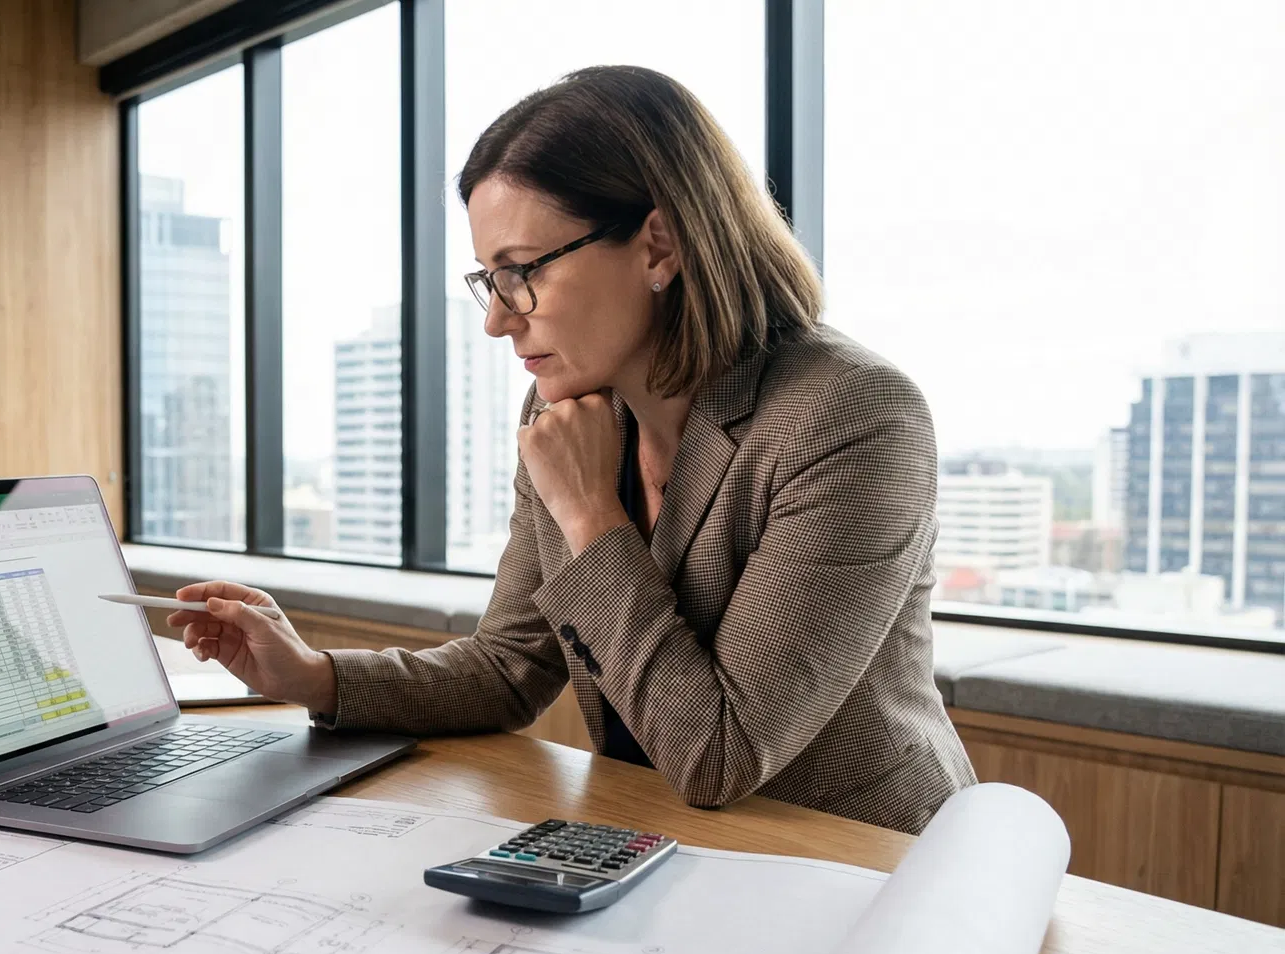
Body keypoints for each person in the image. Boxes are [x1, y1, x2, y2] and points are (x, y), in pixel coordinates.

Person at [167, 65, 975, 835]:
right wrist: (313, 675)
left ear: (658, 245)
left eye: (522, 272)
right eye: (489, 279)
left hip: (868, 862)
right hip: (667, 843)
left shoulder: (853, 415)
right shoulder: (573, 409)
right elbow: (509, 666)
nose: (498, 319)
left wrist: (591, 514)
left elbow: (719, 753)